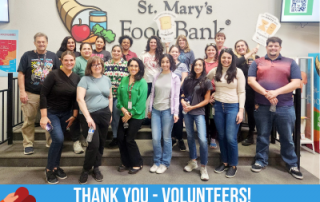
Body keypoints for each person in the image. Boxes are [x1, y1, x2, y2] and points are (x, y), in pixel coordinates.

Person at [248, 37, 303, 180]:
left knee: (286, 137)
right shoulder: (257, 62)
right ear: (266, 47)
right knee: (262, 135)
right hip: (262, 106)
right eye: (270, 46)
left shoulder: (290, 62)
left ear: (280, 48)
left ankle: (292, 164)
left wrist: (276, 92)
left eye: (276, 46)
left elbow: (297, 82)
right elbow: (251, 81)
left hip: (285, 107)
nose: (273, 48)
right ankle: (261, 161)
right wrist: (266, 93)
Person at [40, 51, 80, 184]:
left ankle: (56, 167)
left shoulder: (76, 77)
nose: (69, 62)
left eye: (71, 60)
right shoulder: (53, 74)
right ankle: (49, 169)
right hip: (51, 113)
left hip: (66, 114)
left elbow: (76, 98)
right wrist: (44, 116)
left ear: (75, 61)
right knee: (58, 138)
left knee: (59, 141)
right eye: (66, 60)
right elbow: (43, 94)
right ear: (61, 61)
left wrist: (74, 115)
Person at [18, 32, 59, 155]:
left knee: (49, 120)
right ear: (34, 43)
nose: (41, 44)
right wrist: (22, 92)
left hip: (49, 95)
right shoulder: (27, 55)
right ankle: (28, 144)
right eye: (39, 41)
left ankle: (50, 143)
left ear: (47, 43)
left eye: (43, 42)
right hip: (31, 93)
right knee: (29, 119)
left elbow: (58, 75)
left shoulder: (53, 56)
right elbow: (21, 74)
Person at [207, 48, 246, 178]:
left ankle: (233, 165)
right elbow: (205, 82)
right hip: (218, 106)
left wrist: (241, 111)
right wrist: (210, 95)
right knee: (221, 137)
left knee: (231, 137)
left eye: (229, 57)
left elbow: (241, 92)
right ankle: (224, 162)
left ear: (232, 59)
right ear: (220, 58)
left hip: (233, 107)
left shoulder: (238, 72)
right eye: (223, 57)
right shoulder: (214, 71)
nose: (226, 60)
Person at [77, 56, 112, 184]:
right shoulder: (84, 80)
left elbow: (110, 97)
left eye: (99, 64)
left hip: (104, 114)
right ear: (90, 67)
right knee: (93, 144)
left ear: (102, 66)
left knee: (101, 143)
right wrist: (88, 118)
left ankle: (96, 168)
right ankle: (86, 169)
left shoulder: (107, 79)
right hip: (89, 117)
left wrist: (110, 112)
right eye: (94, 64)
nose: (97, 66)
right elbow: (80, 99)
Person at [147, 54, 180, 174]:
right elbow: (153, 93)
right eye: (163, 62)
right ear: (160, 63)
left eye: (167, 62)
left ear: (171, 63)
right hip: (155, 110)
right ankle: (156, 162)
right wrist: (150, 109)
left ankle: (165, 163)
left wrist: (176, 112)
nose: (165, 64)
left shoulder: (175, 77)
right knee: (156, 138)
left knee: (166, 138)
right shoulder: (156, 75)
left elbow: (176, 96)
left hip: (168, 111)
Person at [181, 59, 212, 181]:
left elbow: (206, 100)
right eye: (196, 65)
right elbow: (182, 94)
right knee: (189, 137)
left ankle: (203, 166)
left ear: (203, 67)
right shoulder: (188, 79)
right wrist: (183, 102)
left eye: (200, 65)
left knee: (203, 140)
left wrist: (192, 107)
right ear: (192, 66)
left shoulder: (206, 81)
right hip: (187, 113)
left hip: (198, 112)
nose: (197, 67)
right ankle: (193, 161)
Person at [116, 58, 147, 174]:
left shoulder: (142, 82)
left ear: (139, 68)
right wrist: (123, 110)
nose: (133, 68)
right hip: (123, 114)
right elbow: (118, 97)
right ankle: (125, 162)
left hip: (136, 115)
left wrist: (130, 114)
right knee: (120, 138)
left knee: (129, 139)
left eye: (136, 66)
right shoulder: (124, 79)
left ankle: (137, 163)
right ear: (128, 67)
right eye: (131, 65)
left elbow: (141, 102)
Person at [234, 40, 259, 146]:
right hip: (237, 90)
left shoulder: (255, 58)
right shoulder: (234, 58)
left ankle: (250, 135)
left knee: (250, 113)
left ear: (246, 46)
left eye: (242, 45)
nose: (240, 47)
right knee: (237, 112)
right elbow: (236, 64)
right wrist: (250, 52)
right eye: (238, 46)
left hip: (250, 91)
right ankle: (237, 134)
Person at [104, 45, 129, 148]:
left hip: (121, 96)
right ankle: (114, 137)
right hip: (107, 95)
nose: (116, 53)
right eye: (114, 51)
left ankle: (117, 137)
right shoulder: (105, 64)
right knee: (109, 117)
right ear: (111, 52)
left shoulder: (126, 64)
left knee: (116, 118)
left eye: (118, 51)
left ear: (121, 53)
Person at [71, 43, 93, 154]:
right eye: (84, 49)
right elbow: (72, 76)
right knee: (75, 117)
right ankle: (76, 141)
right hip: (77, 93)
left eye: (89, 48)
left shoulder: (94, 60)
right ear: (80, 50)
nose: (87, 50)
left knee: (85, 117)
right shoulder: (77, 61)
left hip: (90, 95)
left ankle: (84, 137)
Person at [168, 45, 188, 151]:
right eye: (172, 51)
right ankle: (171, 138)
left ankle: (179, 138)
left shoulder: (183, 65)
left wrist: (176, 89)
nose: (174, 53)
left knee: (178, 116)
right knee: (169, 115)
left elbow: (184, 80)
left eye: (176, 52)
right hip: (166, 94)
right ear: (169, 52)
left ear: (179, 54)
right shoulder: (166, 64)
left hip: (179, 94)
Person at [204, 43, 219, 149]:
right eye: (209, 50)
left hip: (216, 92)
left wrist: (214, 94)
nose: (211, 52)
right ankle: (205, 136)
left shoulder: (219, 63)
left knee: (214, 117)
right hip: (203, 92)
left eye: (213, 50)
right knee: (204, 116)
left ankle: (213, 137)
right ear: (206, 51)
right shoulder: (201, 62)